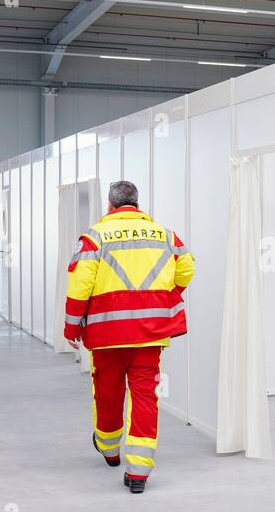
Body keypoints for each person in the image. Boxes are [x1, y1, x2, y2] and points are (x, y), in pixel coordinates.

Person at [63, 180, 195, 494]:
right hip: (150, 333)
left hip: (108, 332)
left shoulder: (95, 237)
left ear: (110, 205)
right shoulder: (165, 235)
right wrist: (164, 296)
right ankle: (139, 473)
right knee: (146, 395)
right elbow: (187, 269)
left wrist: (71, 327)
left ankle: (110, 450)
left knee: (107, 389)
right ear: (136, 204)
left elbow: (80, 285)